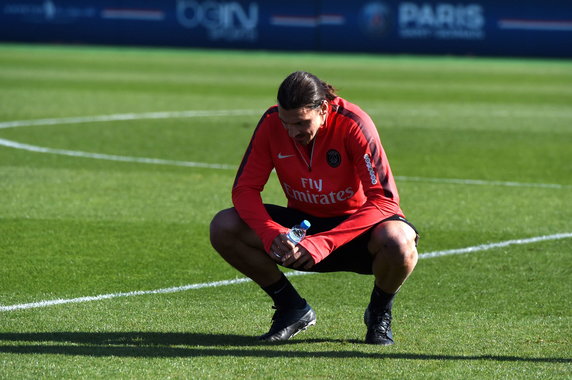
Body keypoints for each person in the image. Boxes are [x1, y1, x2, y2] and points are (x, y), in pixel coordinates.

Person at [210, 71, 419, 345]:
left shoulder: (354, 124)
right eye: (287, 123)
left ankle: (379, 312)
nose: (292, 131)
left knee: (400, 242)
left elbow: (384, 200)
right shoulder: (272, 122)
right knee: (224, 226)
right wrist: (270, 232)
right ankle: (291, 308)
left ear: (323, 109)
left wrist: (325, 242)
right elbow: (245, 190)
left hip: (354, 232)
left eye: (301, 122)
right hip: (301, 233)